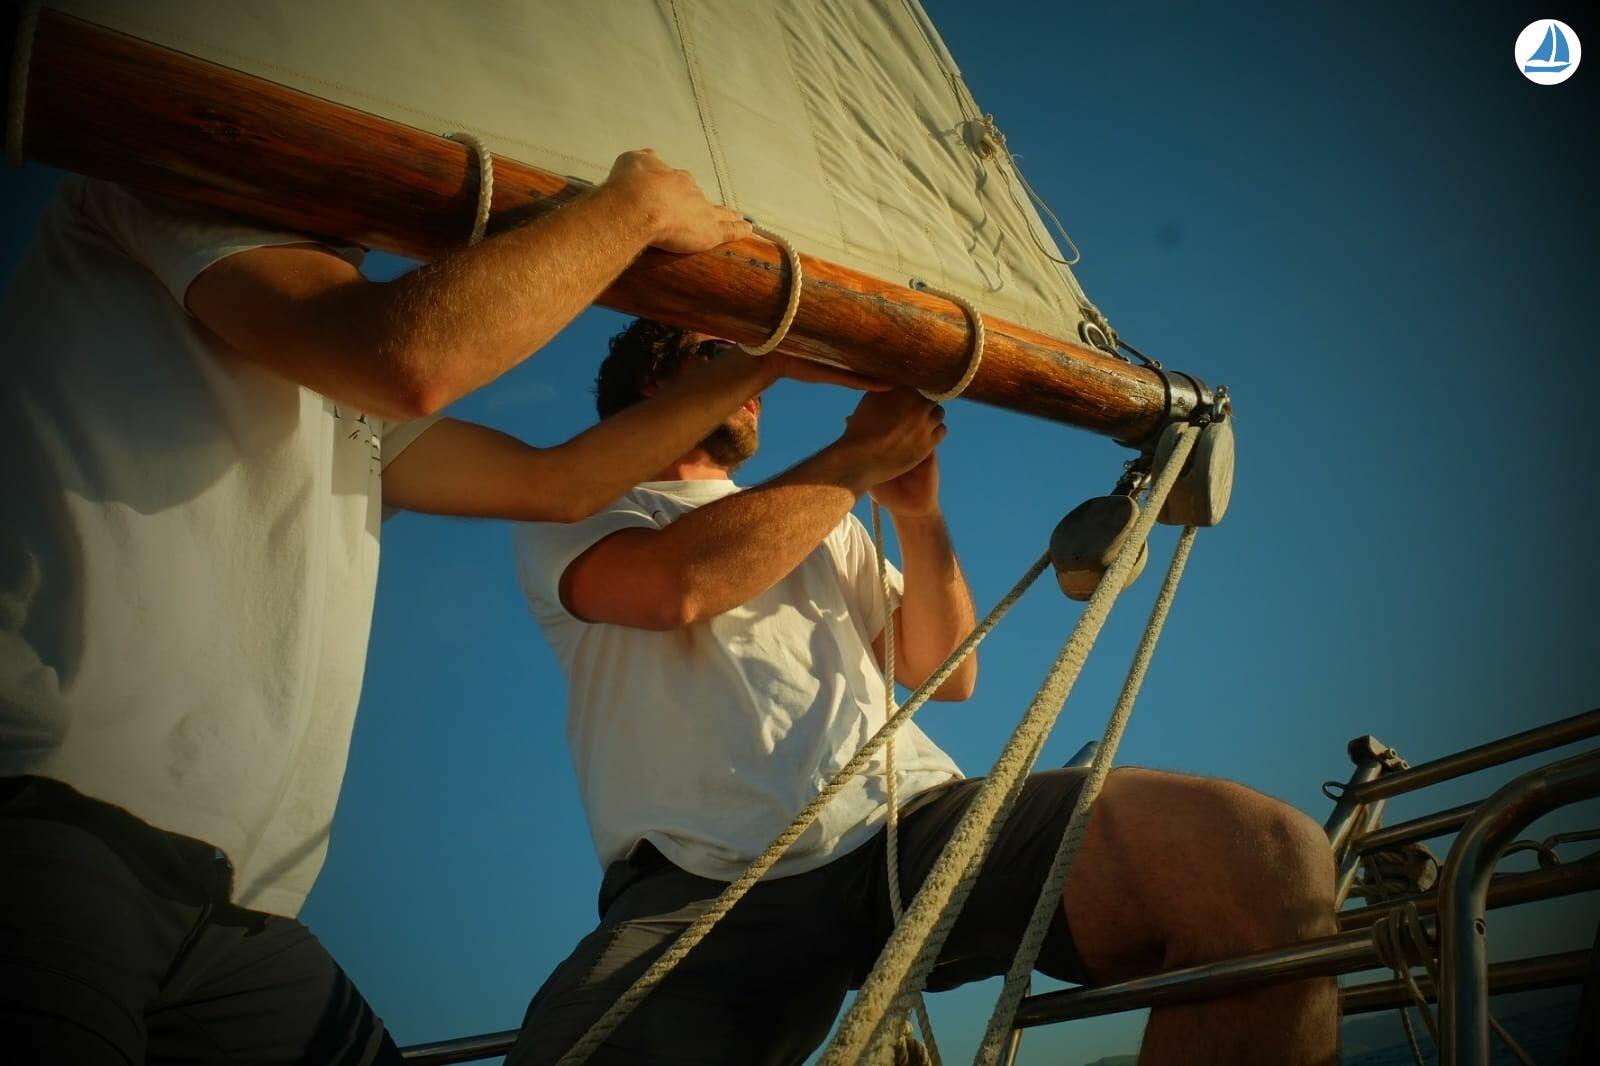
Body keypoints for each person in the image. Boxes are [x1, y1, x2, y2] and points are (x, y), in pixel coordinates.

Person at [0, 149, 872, 1064]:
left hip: (240, 909)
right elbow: (407, 357)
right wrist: (635, 205)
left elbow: (559, 482)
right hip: (48, 825)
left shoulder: (355, 408)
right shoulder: (147, 186)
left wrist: (764, 362)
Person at [508, 319, 1341, 1065]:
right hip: (706, 880)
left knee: (1255, 857)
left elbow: (947, 666)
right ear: (655, 381)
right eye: (728, 353)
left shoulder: (825, 515)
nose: (761, 380)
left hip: (909, 826)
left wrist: (917, 513)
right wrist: (854, 461)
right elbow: (676, 587)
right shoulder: (583, 509)